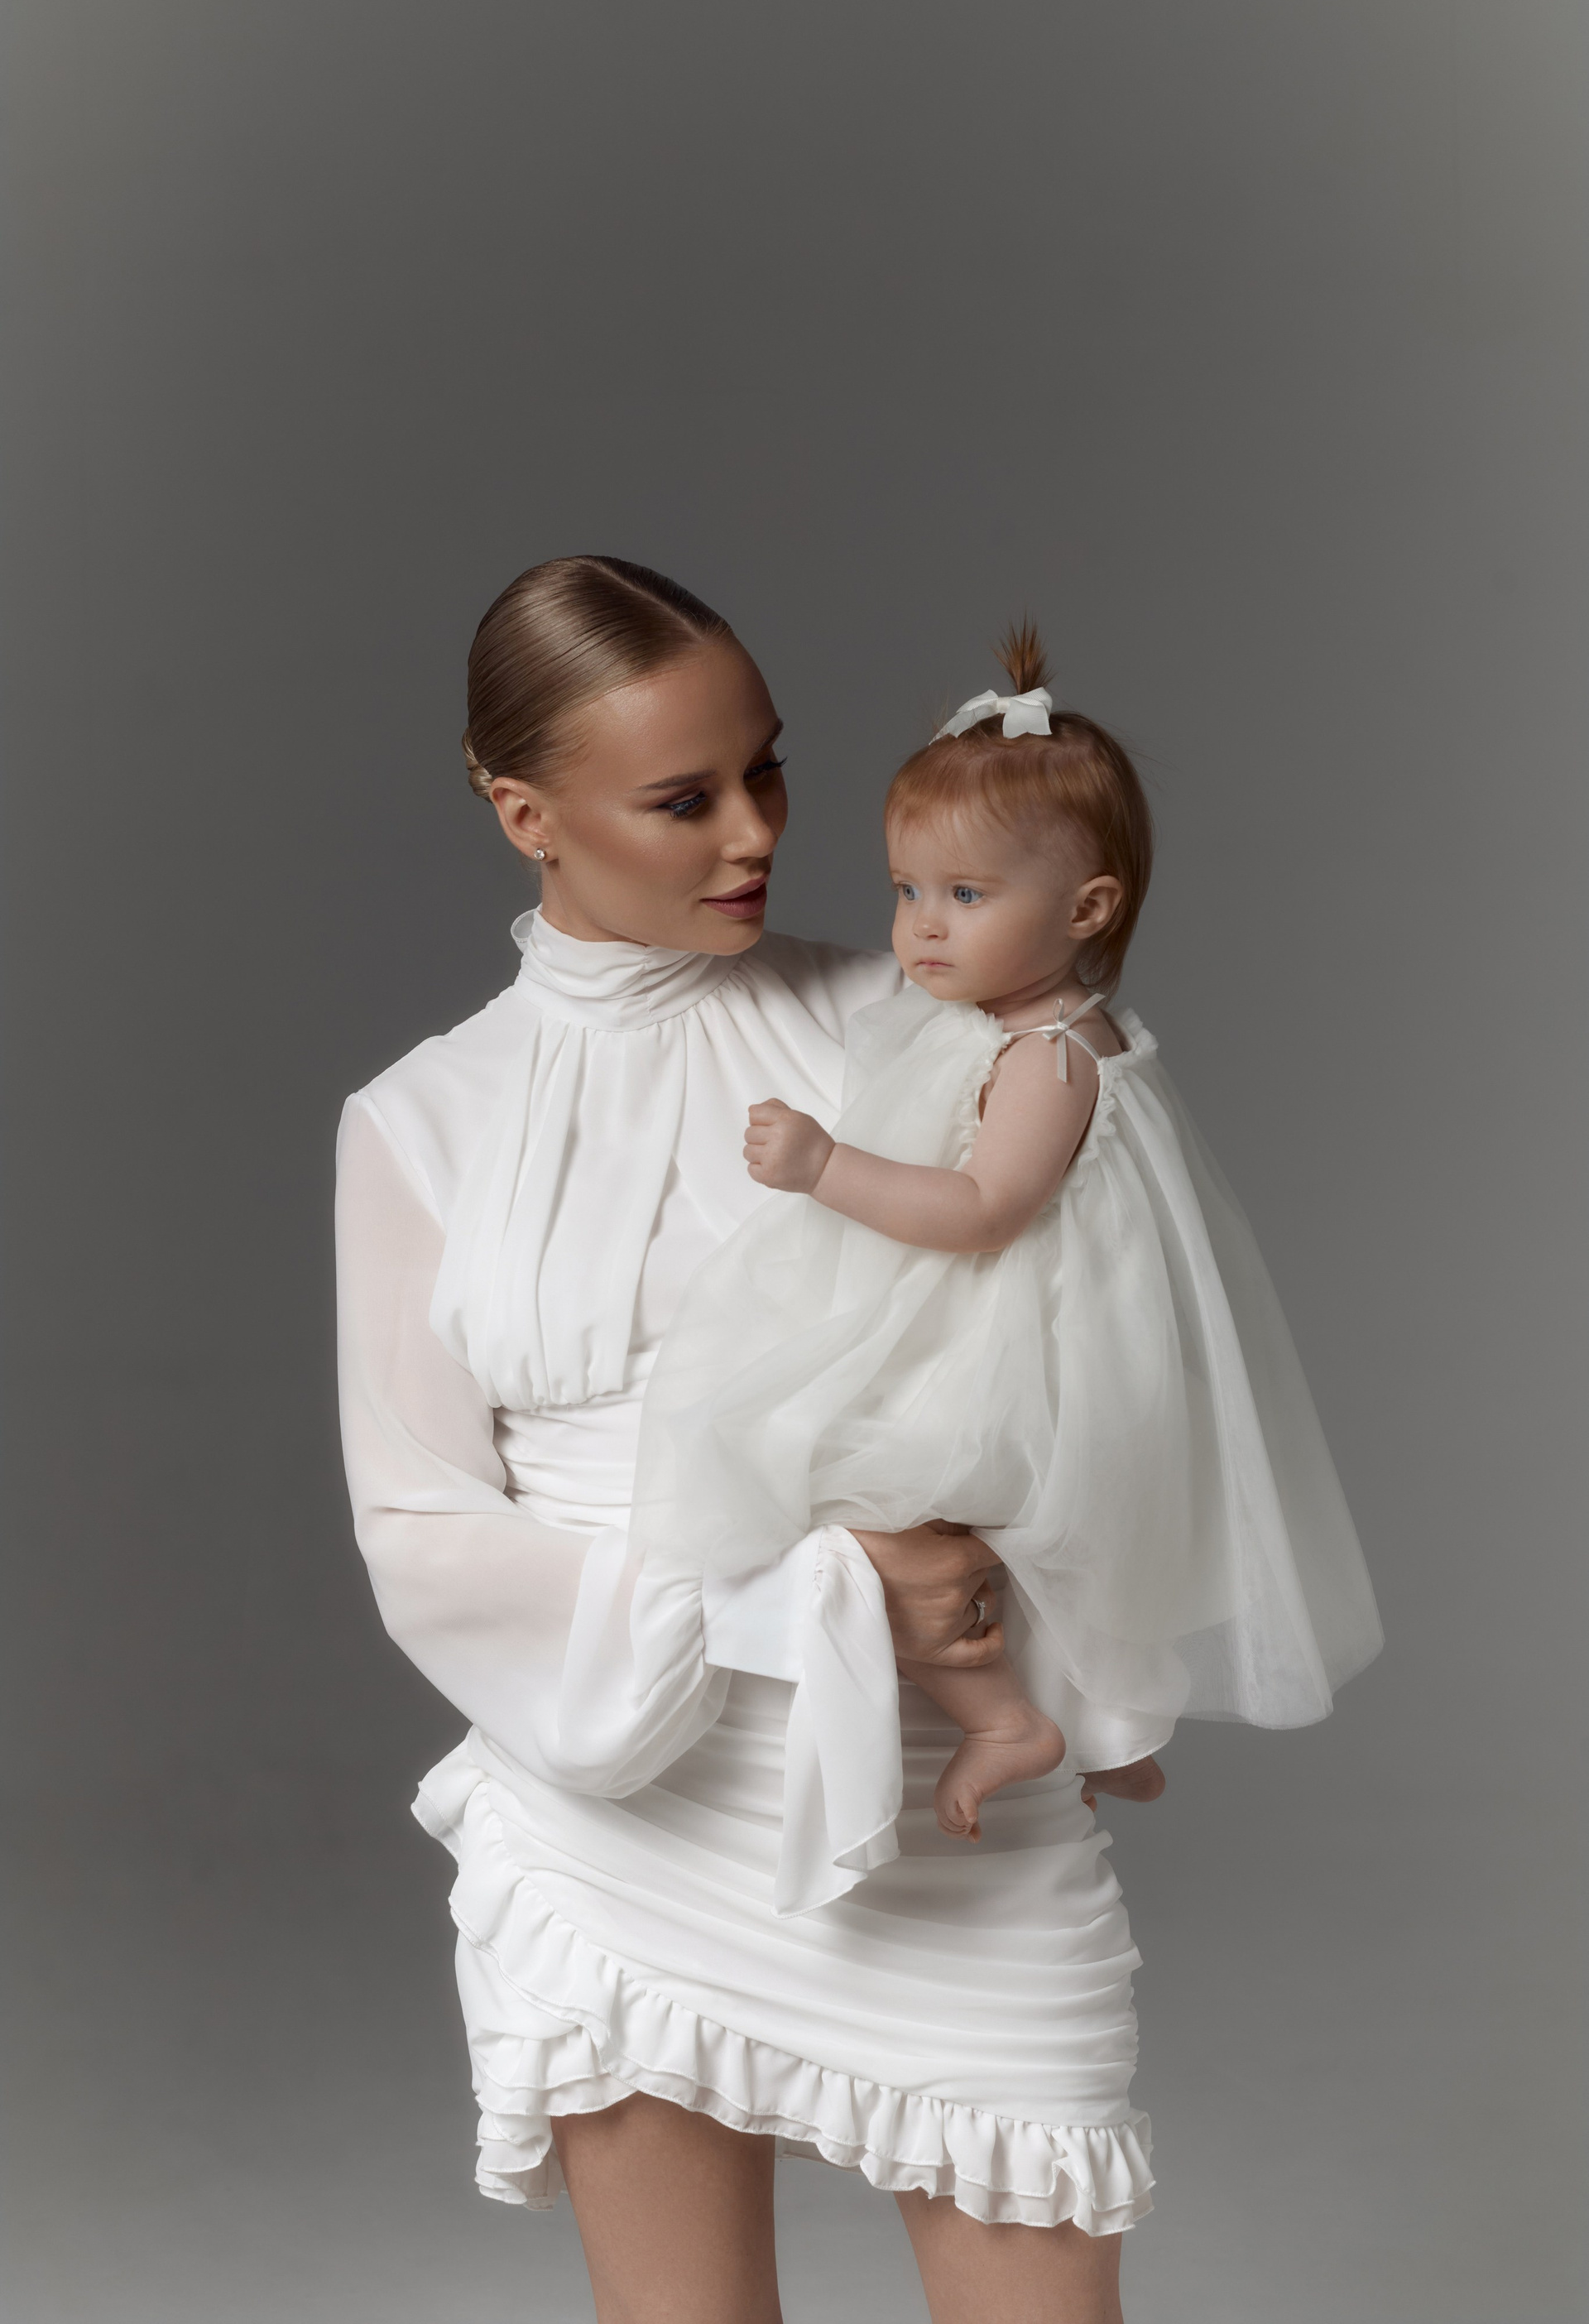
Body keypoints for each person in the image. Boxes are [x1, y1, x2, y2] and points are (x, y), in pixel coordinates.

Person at [337, 558, 1173, 2324]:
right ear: (524, 815)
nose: (756, 832)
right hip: (629, 1804)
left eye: (768, 770)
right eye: (684, 798)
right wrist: (797, 1590)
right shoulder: (421, 1123)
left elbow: (1091, 1346)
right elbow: (426, 1535)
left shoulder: (918, 1029)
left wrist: (1044, 1608)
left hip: (947, 1789)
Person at [629, 624, 1382, 1890]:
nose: (922, 930)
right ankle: (1113, 1734)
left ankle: (1007, 1721)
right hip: (1032, 1318)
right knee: (1023, 1542)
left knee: (871, 1492)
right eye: (906, 890)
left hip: (1029, 1334)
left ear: (1087, 910)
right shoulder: (1009, 1018)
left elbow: (984, 1210)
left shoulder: (1049, 1056)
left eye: (966, 898)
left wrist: (824, 1166)